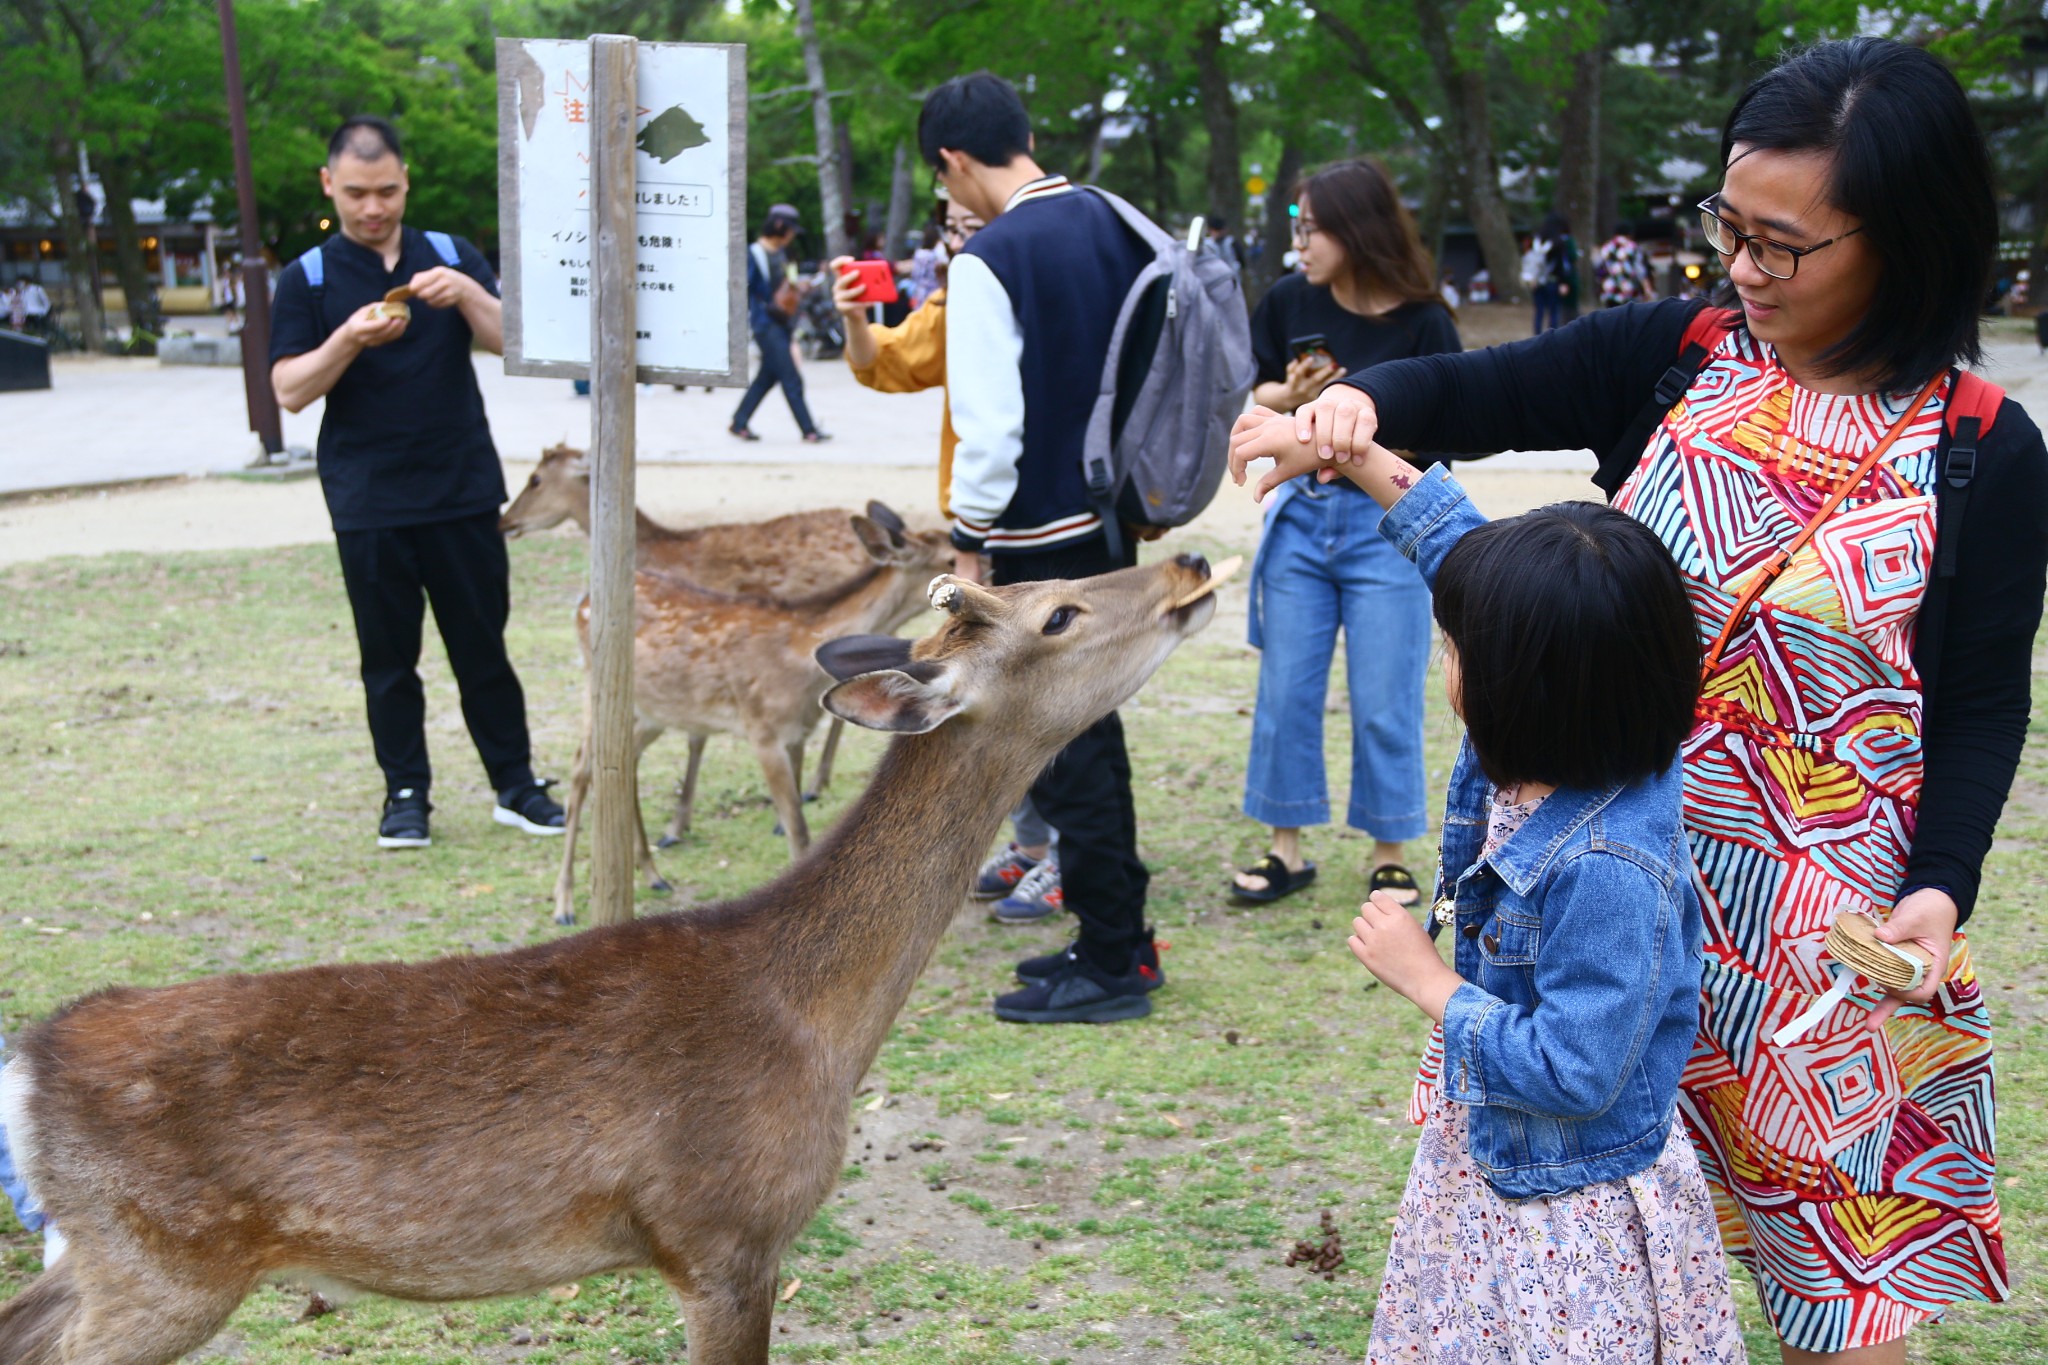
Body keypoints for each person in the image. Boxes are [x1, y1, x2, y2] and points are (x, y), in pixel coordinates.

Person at [1232, 37, 2044, 1364]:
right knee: (1593, 1284)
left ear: (1902, 239)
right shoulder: (1686, 354)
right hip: (1590, 903)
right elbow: (1473, 390)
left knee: (1835, 1306)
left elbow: (1978, 701)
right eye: (1730, 227)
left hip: (1808, 960)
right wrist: (1354, 408)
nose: (1742, 268)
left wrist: (1941, 882)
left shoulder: (1981, 449)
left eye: (1783, 245)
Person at [1332, 450, 1743, 1363]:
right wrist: (1354, 455)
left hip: (1566, 1215)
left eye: (1456, 650)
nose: (1448, 661)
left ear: (1525, 681)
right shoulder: (1561, 732)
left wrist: (1431, 983)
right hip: (1494, 1167)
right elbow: (1468, 562)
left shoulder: (1607, 863)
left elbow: (1575, 1067)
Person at [920, 70, 1158, 1023]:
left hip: (1032, 542)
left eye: (943, 182)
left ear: (955, 160)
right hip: (1105, 521)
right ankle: (1117, 938)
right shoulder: (1112, 219)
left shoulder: (990, 256)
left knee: (1065, 746)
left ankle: (1112, 962)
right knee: (1096, 737)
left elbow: (990, 433)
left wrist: (967, 550)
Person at [269, 115, 565, 850]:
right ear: (329, 184)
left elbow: (512, 343)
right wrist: (347, 338)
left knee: (482, 647)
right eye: (359, 193)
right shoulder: (306, 277)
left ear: (407, 182)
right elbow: (289, 389)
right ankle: (406, 795)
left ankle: (516, 785)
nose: (374, 209)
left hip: (461, 486)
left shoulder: (449, 256)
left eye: (389, 192)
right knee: (389, 660)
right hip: (368, 499)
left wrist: (466, 290)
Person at [1232, 158, 1459, 909]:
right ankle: (1284, 849)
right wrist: (1288, 396)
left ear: (1357, 230)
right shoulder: (1290, 299)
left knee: (1385, 693)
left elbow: (1454, 426)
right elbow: (1258, 388)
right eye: (1296, 227)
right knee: (1286, 685)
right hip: (1299, 515)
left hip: (1383, 523)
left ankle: (1389, 851)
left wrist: (1362, 433)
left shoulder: (1424, 320)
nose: (1300, 243)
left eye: (1313, 228)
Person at [830, 198, 1064, 921]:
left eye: (973, 228)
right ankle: (1032, 841)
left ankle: (1069, 854)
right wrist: (853, 318)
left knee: (1046, 697)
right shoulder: (962, 294)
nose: (960, 245)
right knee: (991, 699)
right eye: (952, 232)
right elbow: (888, 363)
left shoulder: (1052, 276)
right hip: (980, 536)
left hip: (1049, 528)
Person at [729, 204, 830, 444]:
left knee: (767, 377)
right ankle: (809, 429)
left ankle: (739, 421)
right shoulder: (753, 253)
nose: (792, 235)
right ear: (778, 226)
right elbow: (746, 287)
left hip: (782, 322)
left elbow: (787, 285)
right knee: (791, 377)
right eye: (791, 230)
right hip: (765, 324)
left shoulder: (783, 254)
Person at [1528, 211, 1578, 333]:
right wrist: (1563, 282)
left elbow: (1531, 261)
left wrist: (1531, 277)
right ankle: (1551, 340)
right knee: (1554, 313)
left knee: (1539, 312)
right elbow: (1561, 265)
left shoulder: (1537, 241)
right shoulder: (1558, 243)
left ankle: (1536, 337)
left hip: (1537, 281)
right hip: (1552, 281)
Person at [1594, 229, 1655, 306]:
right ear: (1629, 235)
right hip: (1628, 291)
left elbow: (1600, 268)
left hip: (1610, 291)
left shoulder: (1606, 247)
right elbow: (1640, 270)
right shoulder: (1632, 247)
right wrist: (1647, 289)